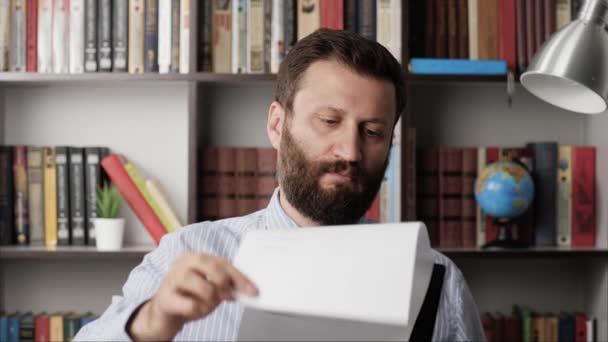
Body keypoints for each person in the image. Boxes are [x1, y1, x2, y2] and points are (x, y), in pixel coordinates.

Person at [75, 28, 485, 341]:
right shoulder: (188, 253)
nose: (350, 151)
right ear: (277, 124)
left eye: (373, 132)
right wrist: (153, 320)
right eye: (329, 122)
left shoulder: (438, 280)